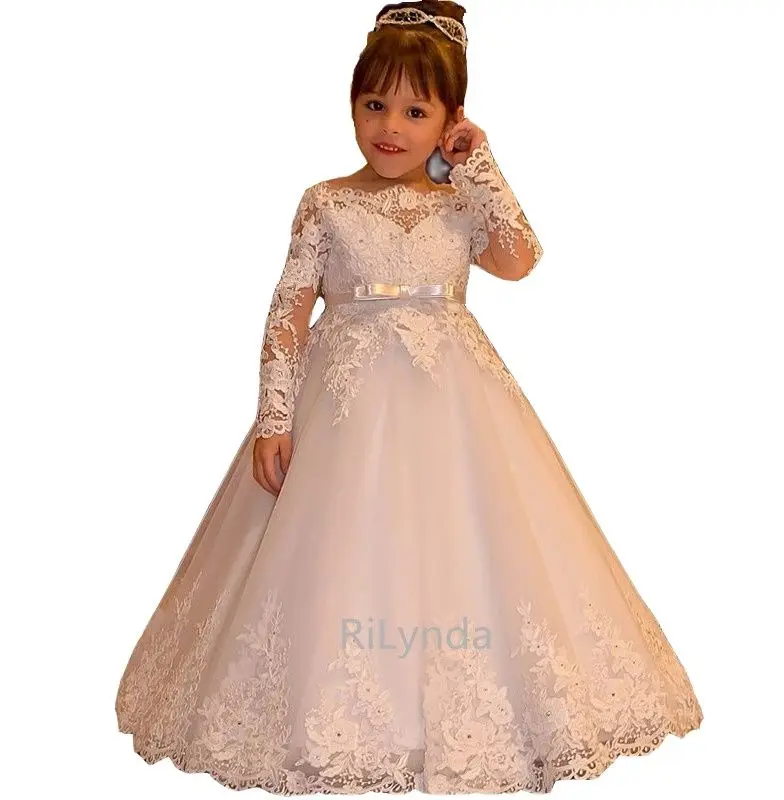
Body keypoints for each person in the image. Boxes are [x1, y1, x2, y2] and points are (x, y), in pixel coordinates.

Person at [116, 2, 703, 794]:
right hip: (343, 413)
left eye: (416, 111)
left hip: (452, 410)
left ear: (451, 118)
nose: (390, 127)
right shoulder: (325, 201)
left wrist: (480, 166)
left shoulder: (462, 200)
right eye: (374, 104)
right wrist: (275, 418)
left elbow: (519, 260)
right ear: (351, 104)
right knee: (336, 549)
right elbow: (288, 311)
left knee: (468, 541)